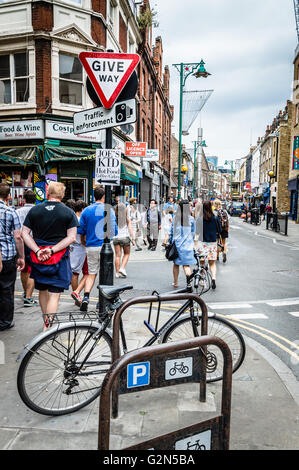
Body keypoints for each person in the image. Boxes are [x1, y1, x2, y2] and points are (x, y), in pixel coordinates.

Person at [22, 182, 78, 330]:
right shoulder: (68, 212)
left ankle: (45, 322)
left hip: (38, 258)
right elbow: (71, 237)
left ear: (48, 193)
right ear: (63, 195)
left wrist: (37, 250)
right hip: (58, 258)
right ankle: (47, 326)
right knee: (54, 294)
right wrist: (52, 250)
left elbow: (24, 233)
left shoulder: (35, 210)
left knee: (42, 290)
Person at [77, 186, 118, 311]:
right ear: (104, 196)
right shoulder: (109, 210)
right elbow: (114, 231)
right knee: (105, 274)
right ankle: (102, 301)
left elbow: (81, 231)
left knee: (91, 273)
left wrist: (85, 242)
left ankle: (86, 297)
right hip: (104, 246)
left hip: (91, 247)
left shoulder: (86, 210)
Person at [0, 183, 25, 331]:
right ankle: (5, 321)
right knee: (6, 289)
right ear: (9, 196)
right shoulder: (10, 212)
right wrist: (21, 256)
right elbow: (18, 237)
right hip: (7, 256)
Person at [16, 190, 38, 307]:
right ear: (35, 200)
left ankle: (26, 293)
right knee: (33, 269)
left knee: (23, 269)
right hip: (33, 242)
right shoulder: (37, 210)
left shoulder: (18, 211)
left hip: (20, 242)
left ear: (24, 200)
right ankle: (28, 297)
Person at [168, 200, 196, 288]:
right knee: (186, 265)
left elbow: (172, 232)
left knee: (176, 264)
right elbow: (193, 233)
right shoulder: (191, 219)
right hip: (188, 246)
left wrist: (170, 242)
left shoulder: (176, 218)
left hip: (177, 245)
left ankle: (175, 282)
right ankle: (189, 283)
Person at [197, 200, 222, 290]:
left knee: (202, 262)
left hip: (203, 243)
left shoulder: (200, 218)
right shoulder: (215, 218)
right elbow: (219, 230)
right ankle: (214, 278)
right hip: (212, 243)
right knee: (212, 263)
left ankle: (202, 280)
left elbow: (197, 231)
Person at [70, 200, 88, 307]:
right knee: (87, 273)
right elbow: (83, 238)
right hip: (80, 249)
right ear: (82, 209)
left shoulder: (71, 218)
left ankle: (77, 295)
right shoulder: (80, 220)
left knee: (74, 273)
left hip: (72, 248)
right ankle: (77, 294)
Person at [113, 202, 134, 278]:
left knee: (117, 255)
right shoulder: (126, 217)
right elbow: (130, 228)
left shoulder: (114, 217)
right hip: (125, 237)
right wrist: (133, 238)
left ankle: (117, 273)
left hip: (116, 238)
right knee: (127, 254)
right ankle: (122, 268)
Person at [214, 199, 229, 263]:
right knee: (223, 243)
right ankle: (224, 252)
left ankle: (217, 256)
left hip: (217, 229)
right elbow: (228, 220)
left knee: (217, 243)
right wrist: (227, 229)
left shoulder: (214, 212)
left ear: (215, 204)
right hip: (224, 229)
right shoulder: (224, 211)